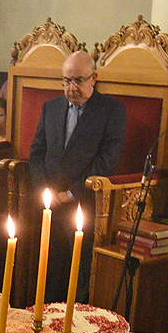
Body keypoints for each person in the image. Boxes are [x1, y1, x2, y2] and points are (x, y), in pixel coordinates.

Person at [30, 50, 127, 303]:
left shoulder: (111, 110)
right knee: (48, 275)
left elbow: (108, 160)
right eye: (66, 81)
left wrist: (72, 193)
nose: (72, 87)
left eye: (78, 80)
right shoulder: (51, 107)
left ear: (93, 78)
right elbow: (37, 152)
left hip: (85, 205)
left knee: (78, 278)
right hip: (50, 205)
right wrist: (46, 191)